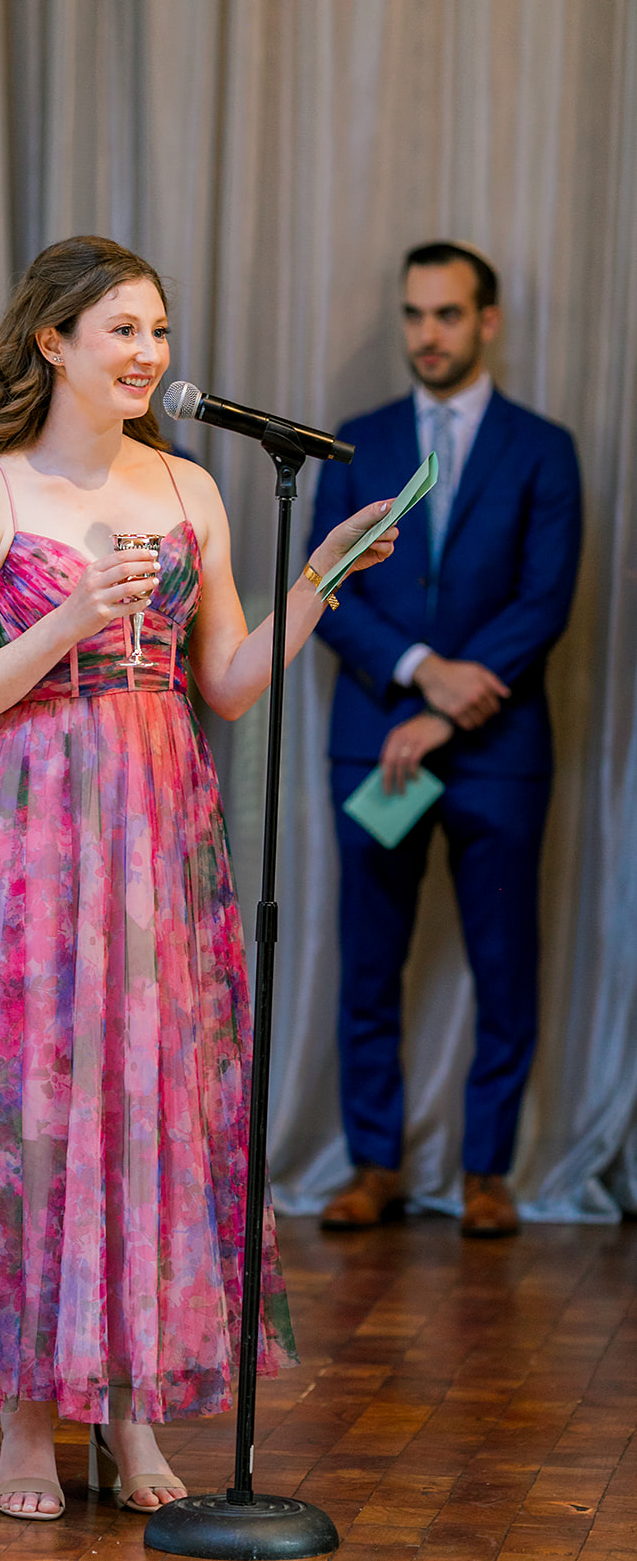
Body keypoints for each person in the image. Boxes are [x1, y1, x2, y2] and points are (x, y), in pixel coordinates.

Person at [0, 235, 397, 1521]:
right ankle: (28, 1424)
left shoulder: (194, 488)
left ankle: (135, 1406)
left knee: (147, 1101)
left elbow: (224, 684)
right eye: (121, 331)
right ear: (53, 342)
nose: (149, 354)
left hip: (157, 818)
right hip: (31, 829)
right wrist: (62, 622)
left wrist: (317, 581)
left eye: (157, 330)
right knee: (34, 1107)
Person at [309, 240, 582, 1239]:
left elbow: (541, 600)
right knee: (367, 965)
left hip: (495, 751)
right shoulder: (353, 440)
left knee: (503, 964)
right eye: (413, 315)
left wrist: (446, 706)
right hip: (375, 738)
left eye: (447, 315)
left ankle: (485, 1172)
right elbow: (324, 591)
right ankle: (370, 1164)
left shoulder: (541, 447)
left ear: (486, 321)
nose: (427, 334)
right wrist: (420, 671)